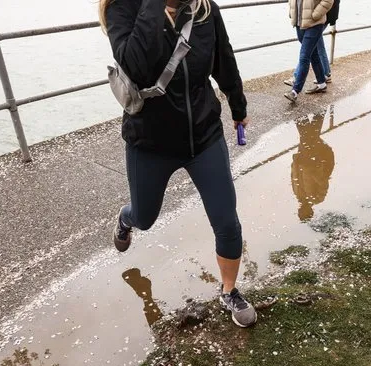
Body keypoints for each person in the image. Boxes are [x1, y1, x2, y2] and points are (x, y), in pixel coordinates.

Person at [99, 0, 257, 328]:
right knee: (145, 217)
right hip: (150, 143)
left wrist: (238, 106)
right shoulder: (122, 9)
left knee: (227, 220)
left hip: (204, 135)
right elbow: (137, 68)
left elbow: (223, 60)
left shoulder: (204, 9)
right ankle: (126, 219)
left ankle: (229, 291)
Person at [285, 0, 335, 103]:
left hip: (315, 24)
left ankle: (295, 91)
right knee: (313, 54)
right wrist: (292, 12)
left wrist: (316, 14)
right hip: (299, 23)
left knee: (304, 57)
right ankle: (321, 83)